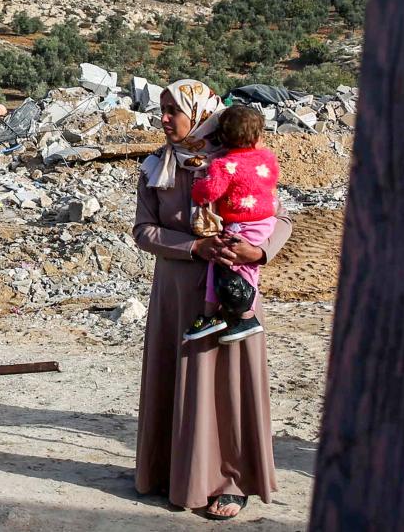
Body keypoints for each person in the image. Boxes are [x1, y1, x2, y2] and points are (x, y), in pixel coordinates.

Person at [133, 80, 292, 520]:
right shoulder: (155, 167)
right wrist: (193, 247)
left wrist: (258, 252)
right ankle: (169, 472)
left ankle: (231, 480)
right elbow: (144, 232)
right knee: (178, 379)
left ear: (201, 113)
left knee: (227, 386)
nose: (163, 118)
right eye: (162, 110)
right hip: (176, 295)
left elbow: (278, 221)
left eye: (172, 110)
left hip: (230, 294)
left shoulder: (239, 159)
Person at [184, 105, 278, 344]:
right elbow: (272, 178)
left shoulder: (224, 165)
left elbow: (210, 191)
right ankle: (220, 314)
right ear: (258, 137)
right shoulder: (266, 158)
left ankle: (240, 316)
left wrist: (197, 190)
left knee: (232, 262)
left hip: (241, 223)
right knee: (240, 265)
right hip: (265, 220)